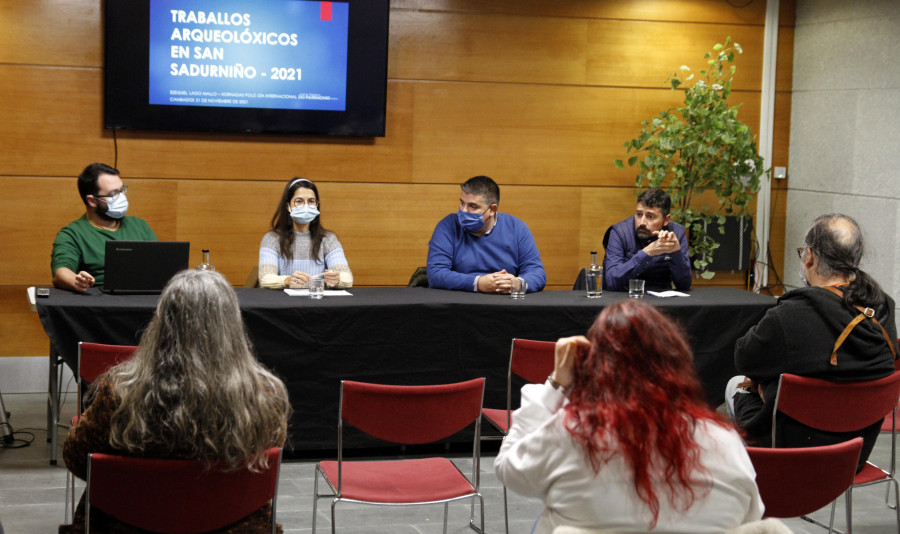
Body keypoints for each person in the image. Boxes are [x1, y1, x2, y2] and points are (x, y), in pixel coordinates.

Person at [495, 300, 762, 533]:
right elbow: (750, 515)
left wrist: (555, 384)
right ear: (679, 364)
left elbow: (509, 469)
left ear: (596, 367)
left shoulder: (570, 431)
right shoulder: (725, 441)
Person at [59, 270, 292, 534]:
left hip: (129, 525)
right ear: (232, 323)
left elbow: (77, 459)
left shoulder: (120, 391)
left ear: (162, 321)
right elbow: (265, 465)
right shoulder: (266, 395)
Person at [726, 213, 897, 467]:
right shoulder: (883, 306)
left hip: (789, 452)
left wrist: (767, 389)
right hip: (853, 455)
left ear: (811, 257)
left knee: (736, 383)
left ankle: (752, 484)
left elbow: (744, 358)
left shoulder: (791, 315)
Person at [427, 175, 546, 293]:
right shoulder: (448, 225)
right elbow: (436, 274)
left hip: (505, 304)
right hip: (460, 303)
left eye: (473, 206)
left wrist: (516, 284)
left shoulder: (516, 228)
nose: (463, 211)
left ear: (492, 210)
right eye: (462, 203)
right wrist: (477, 283)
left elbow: (537, 272)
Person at [51, 163, 157, 292]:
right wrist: (76, 281)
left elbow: (158, 266)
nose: (121, 197)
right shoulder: (72, 234)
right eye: (114, 193)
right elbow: (61, 272)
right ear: (92, 201)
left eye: (121, 190)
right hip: (100, 302)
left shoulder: (140, 225)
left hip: (143, 300)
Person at [258, 177, 353, 289]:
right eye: (299, 201)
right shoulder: (272, 239)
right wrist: (287, 280)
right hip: (285, 303)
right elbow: (265, 278)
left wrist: (337, 279)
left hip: (319, 303)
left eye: (311, 201)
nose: (306, 206)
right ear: (288, 206)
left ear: (317, 205)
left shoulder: (328, 239)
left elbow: (347, 278)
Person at [603, 187, 691, 292]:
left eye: (650, 217)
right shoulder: (619, 232)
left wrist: (676, 253)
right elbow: (611, 281)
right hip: (625, 298)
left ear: (666, 220)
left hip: (662, 301)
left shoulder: (676, 233)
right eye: (639, 214)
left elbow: (684, 285)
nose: (642, 222)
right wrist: (646, 253)